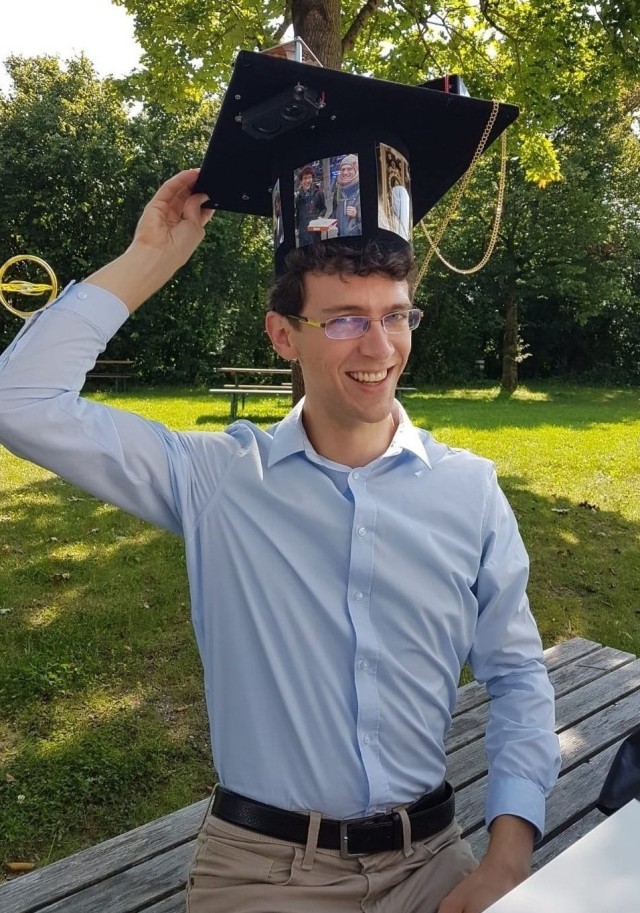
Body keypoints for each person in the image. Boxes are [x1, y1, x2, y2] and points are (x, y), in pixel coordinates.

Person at [0, 168, 560, 913]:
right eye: (343, 319)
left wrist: (509, 856)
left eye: (395, 315)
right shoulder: (217, 480)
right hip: (266, 876)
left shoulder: (470, 491)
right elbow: (21, 400)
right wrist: (149, 256)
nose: (379, 345)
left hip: (434, 860)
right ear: (281, 335)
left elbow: (519, 676)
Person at [332, 154, 362, 238]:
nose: (345, 172)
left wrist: (357, 213)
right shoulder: (338, 191)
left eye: (349, 169)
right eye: (343, 169)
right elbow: (334, 212)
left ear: (356, 170)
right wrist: (324, 221)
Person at [295, 166, 326, 245]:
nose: (308, 180)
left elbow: (323, 208)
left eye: (310, 178)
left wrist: (320, 216)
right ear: (301, 181)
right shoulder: (298, 197)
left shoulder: (319, 192)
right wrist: (297, 228)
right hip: (303, 233)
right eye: (305, 178)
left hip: (315, 232)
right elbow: (298, 214)